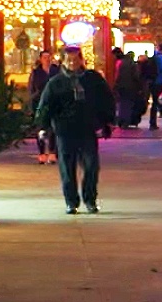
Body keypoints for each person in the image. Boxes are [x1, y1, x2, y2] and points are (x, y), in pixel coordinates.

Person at [34, 46, 115, 214]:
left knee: (92, 165)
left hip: (87, 129)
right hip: (65, 130)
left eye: (76, 59)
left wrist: (107, 121)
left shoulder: (93, 79)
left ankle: (90, 199)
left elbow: (107, 99)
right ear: (63, 61)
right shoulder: (56, 83)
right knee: (67, 167)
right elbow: (45, 105)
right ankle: (71, 202)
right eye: (69, 60)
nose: (72, 63)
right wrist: (43, 126)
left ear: (81, 60)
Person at [27, 50, 60, 164]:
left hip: (54, 103)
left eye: (48, 57)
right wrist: (32, 106)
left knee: (53, 129)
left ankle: (52, 152)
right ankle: (41, 152)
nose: (47, 59)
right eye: (44, 57)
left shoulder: (56, 71)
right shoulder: (36, 73)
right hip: (40, 103)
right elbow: (31, 90)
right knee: (41, 129)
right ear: (40, 59)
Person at [114, 51, 143, 128]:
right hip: (131, 87)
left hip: (121, 86)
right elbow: (136, 76)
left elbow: (117, 75)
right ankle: (126, 121)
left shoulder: (121, 63)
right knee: (128, 104)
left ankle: (121, 120)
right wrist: (139, 87)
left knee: (122, 103)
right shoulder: (133, 64)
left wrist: (116, 85)